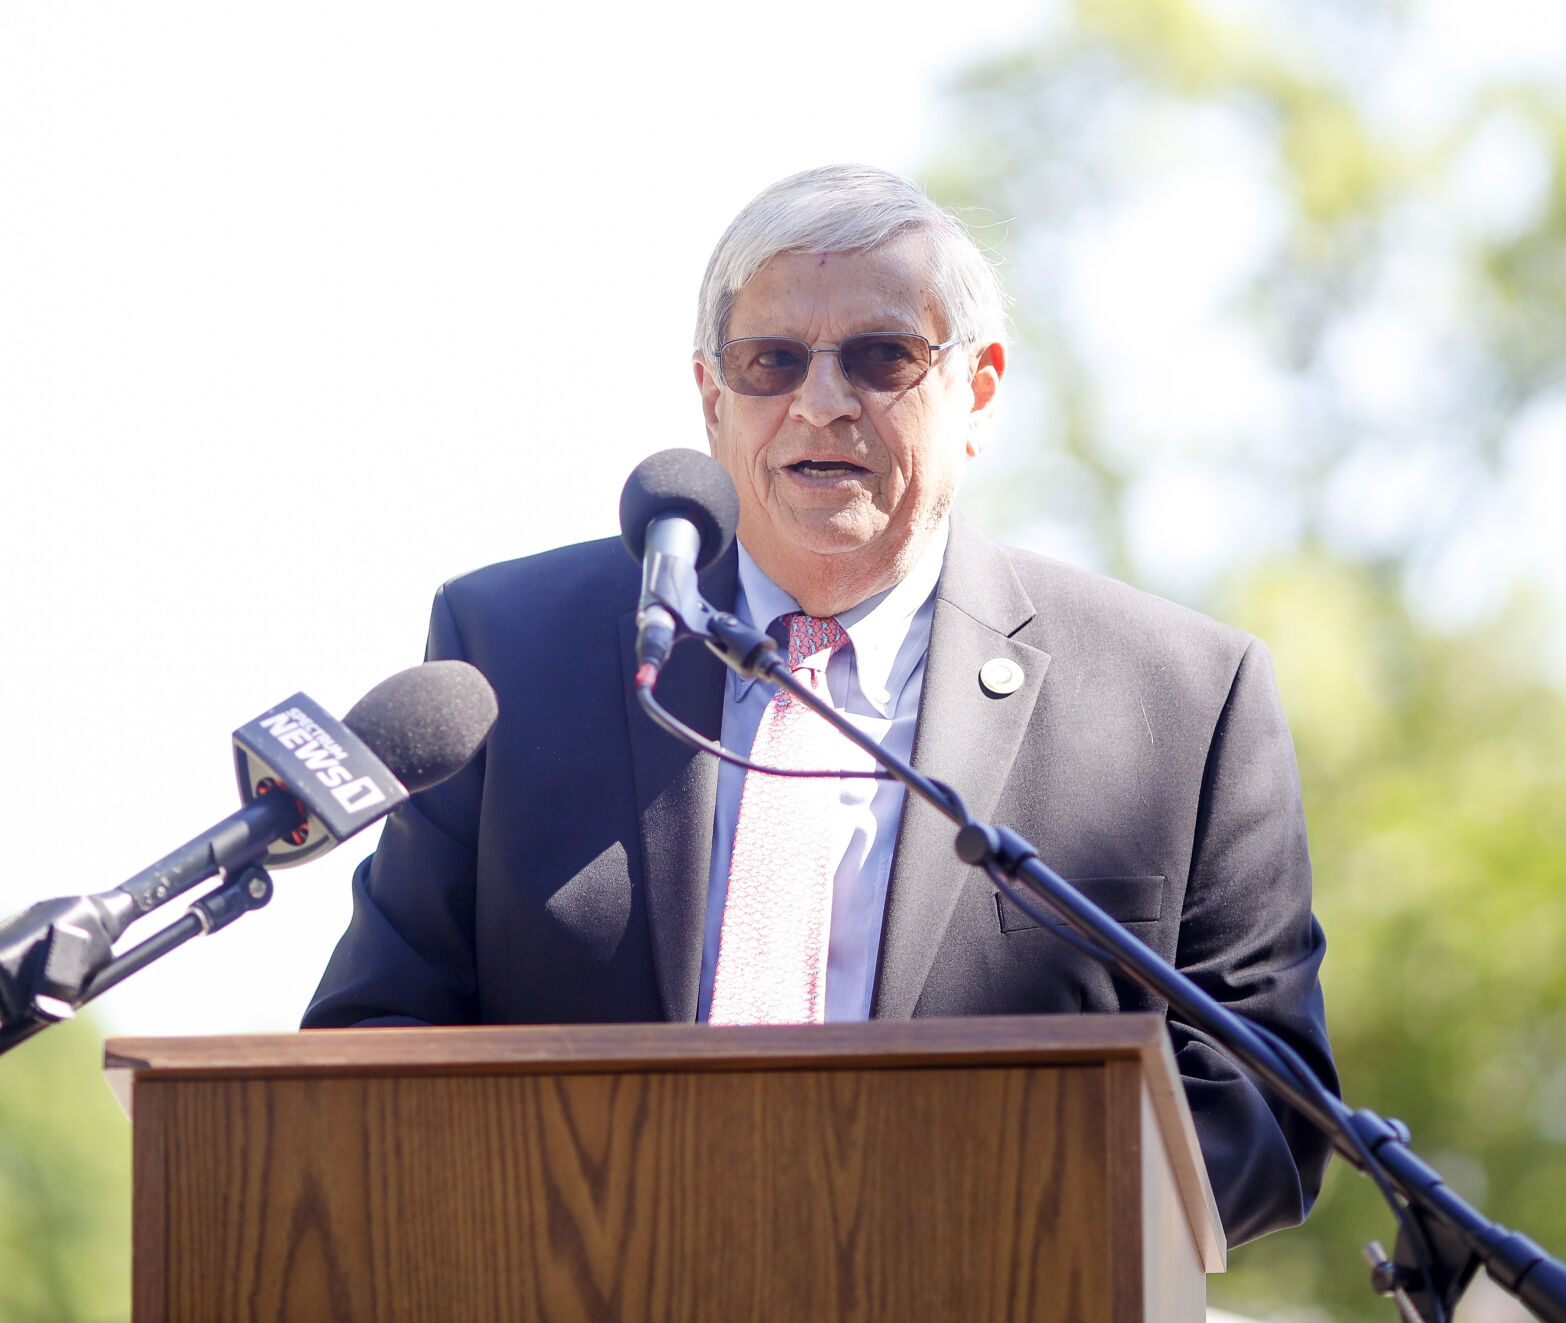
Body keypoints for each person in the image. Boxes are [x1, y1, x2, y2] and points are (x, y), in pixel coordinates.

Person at [304, 163, 1336, 1246]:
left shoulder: (1178, 697)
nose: (823, 400)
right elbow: (378, 1029)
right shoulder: (509, 652)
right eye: (772, 362)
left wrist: (947, 1210)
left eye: (882, 356)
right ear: (712, 399)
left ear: (977, 390)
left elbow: (1267, 1103)